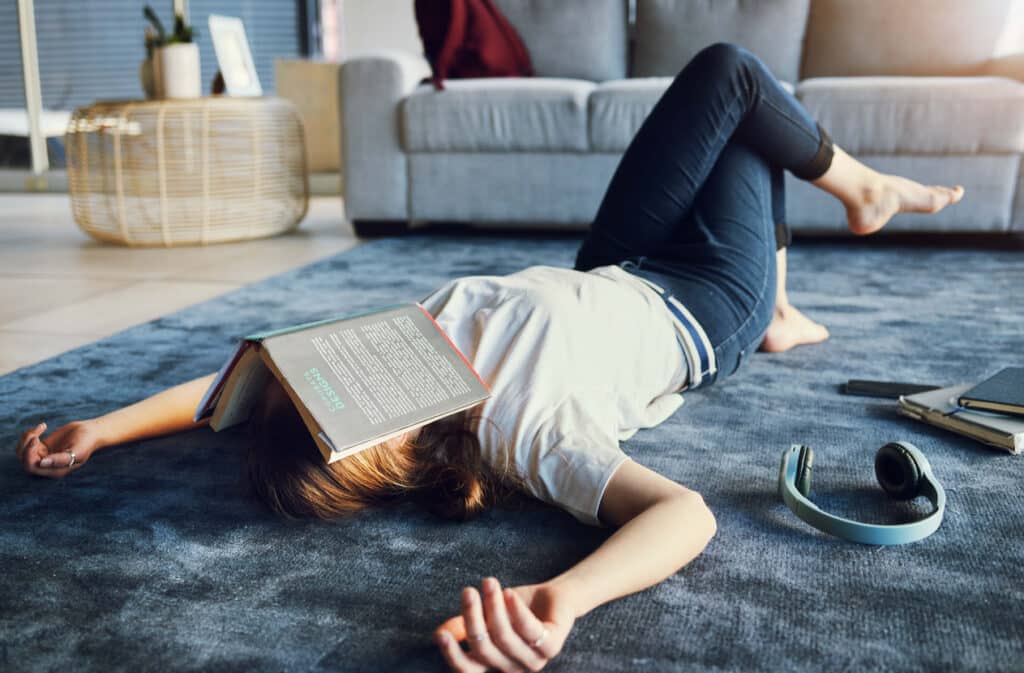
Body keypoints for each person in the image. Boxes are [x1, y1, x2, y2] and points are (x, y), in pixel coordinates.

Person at [15, 44, 963, 673]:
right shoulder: (521, 432)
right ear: (389, 441)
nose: (348, 351)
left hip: (612, 264)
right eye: (341, 387)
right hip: (702, 303)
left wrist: (103, 425)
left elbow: (226, 387)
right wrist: (566, 597)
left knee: (725, 82)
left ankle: (795, 292)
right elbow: (685, 514)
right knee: (745, 103)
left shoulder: (392, 351)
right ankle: (818, 252)